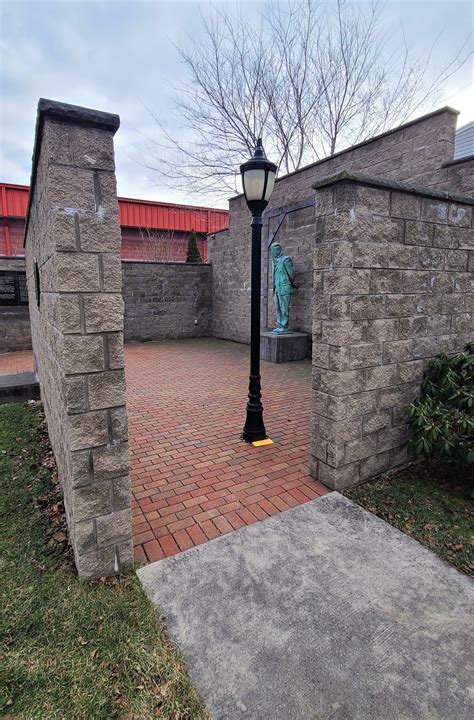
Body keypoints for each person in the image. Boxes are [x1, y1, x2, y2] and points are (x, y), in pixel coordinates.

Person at [271, 243, 296, 333]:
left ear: (278, 250)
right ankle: (279, 325)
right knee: (277, 307)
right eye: (272, 250)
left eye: (273, 250)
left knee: (284, 308)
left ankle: (284, 327)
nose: (272, 252)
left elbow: (291, 273)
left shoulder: (286, 259)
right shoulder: (273, 262)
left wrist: (291, 283)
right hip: (277, 288)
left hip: (285, 287)